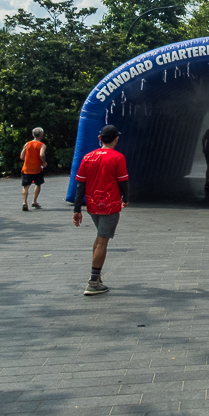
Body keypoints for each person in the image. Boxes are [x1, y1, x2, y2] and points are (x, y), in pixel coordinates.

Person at [72, 124, 129, 296]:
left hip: (92, 206)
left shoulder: (87, 157)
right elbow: (123, 181)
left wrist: (77, 209)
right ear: (116, 139)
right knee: (102, 242)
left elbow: (80, 185)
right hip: (110, 206)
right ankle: (93, 282)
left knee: (99, 240)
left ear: (99, 138)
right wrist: (125, 198)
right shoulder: (117, 157)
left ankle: (96, 277)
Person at [19, 127, 47, 211]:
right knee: (38, 184)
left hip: (26, 168)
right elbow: (41, 154)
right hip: (37, 168)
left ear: (33, 135)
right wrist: (44, 162)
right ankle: (34, 201)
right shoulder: (42, 145)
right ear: (41, 135)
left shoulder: (27, 144)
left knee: (25, 186)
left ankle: (24, 202)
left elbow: (21, 157)